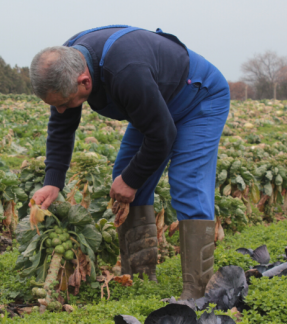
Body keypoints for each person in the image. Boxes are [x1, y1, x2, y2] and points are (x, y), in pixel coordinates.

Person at [28, 25, 230, 300]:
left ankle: (197, 292)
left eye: (64, 102)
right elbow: (62, 126)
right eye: (55, 105)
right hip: (153, 103)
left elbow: (162, 136)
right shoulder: (65, 64)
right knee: (123, 179)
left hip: (199, 98)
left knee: (186, 182)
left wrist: (132, 180)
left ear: (84, 81)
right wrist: (52, 182)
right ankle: (141, 278)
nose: (61, 110)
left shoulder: (125, 72)